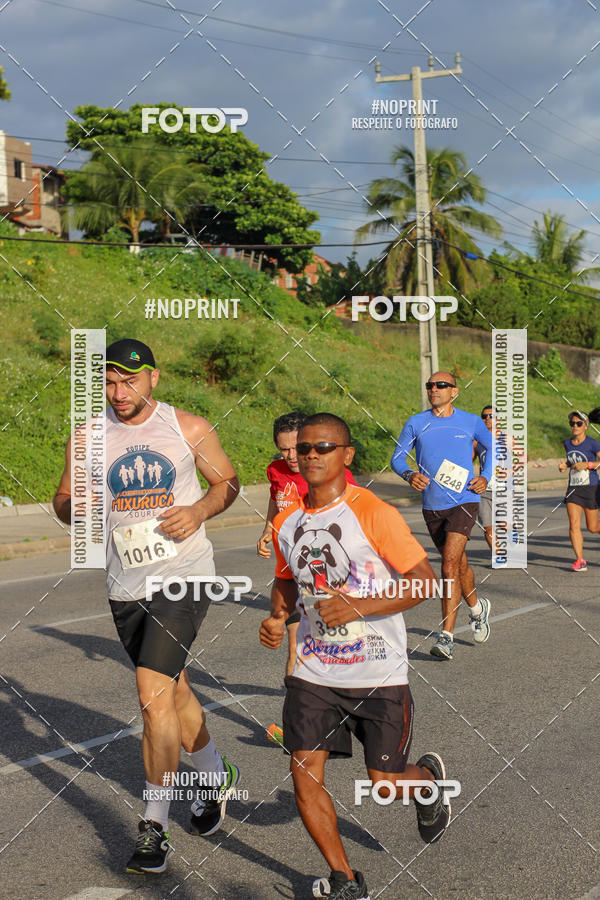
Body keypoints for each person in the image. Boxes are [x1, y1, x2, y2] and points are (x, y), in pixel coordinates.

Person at [53, 338, 241, 875]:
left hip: (183, 577)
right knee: (173, 689)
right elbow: (64, 500)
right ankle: (211, 774)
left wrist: (199, 510)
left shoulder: (188, 427)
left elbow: (227, 481)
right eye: (110, 382)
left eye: (130, 381)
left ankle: (153, 826)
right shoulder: (88, 436)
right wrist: (76, 508)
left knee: (151, 695)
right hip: (124, 584)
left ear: (153, 378)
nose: (120, 392)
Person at [260, 413, 452, 900]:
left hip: (376, 669)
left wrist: (356, 605)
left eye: (323, 448)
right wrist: (276, 617)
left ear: (346, 455)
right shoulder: (286, 521)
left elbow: (425, 582)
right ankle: (345, 877)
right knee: (304, 776)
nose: (310, 456)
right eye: (303, 448)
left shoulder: (374, 512)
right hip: (313, 669)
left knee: (384, 783)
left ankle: (426, 782)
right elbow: (286, 580)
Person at [390, 372, 492, 660]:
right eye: (430, 385)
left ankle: (445, 636)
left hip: (464, 500)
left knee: (447, 564)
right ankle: (477, 609)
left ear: (454, 392)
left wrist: (484, 476)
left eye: (441, 385)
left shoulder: (470, 421)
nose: (434, 389)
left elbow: (492, 447)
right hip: (432, 506)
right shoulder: (417, 422)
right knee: (458, 563)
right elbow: (397, 458)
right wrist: (409, 474)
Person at [257, 410, 356, 678]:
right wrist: (269, 527)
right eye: (283, 450)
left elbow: (354, 517)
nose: (290, 456)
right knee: (295, 646)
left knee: (330, 646)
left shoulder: (328, 473)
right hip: (287, 573)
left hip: (323, 577)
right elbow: (275, 498)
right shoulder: (275, 471)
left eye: (295, 448)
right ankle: (295, 716)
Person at [558, 410, 600, 571]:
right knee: (574, 524)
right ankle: (580, 560)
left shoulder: (593, 443)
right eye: (572, 423)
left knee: (593, 527)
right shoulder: (567, 443)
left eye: (579, 423)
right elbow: (571, 460)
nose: (575, 426)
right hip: (573, 489)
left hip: (591, 488)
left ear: (586, 426)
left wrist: (588, 465)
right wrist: (565, 465)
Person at [475, 405, 501, 553]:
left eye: (491, 416)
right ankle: (498, 555)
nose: (487, 419)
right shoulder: (477, 442)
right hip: (485, 489)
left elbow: (523, 457)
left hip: (505, 490)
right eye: (484, 416)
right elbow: (467, 460)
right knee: (488, 525)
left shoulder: (506, 439)